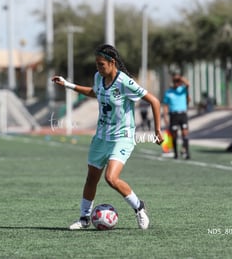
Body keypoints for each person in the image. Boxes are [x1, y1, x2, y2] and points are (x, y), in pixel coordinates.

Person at [52, 44, 163, 230]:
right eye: (96, 64)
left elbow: (154, 100)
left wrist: (158, 130)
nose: (98, 68)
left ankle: (139, 207)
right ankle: (85, 219)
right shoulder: (99, 77)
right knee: (91, 179)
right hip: (101, 137)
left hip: (122, 136)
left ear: (112, 63)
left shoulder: (124, 82)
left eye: (101, 64)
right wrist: (68, 84)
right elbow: (95, 93)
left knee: (111, 178)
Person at [162, 73, 191, 159]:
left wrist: (180, 78)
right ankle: (175, 153)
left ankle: (186, 151)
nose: (176, 82)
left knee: (185, 133)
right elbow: (165, 105)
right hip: (173, 115)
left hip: (182, 114)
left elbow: (188, 84)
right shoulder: (168, 92)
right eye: (175, 81)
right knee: (174, 134)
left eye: (177, 81)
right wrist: (165, 116)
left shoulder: (182, 89)